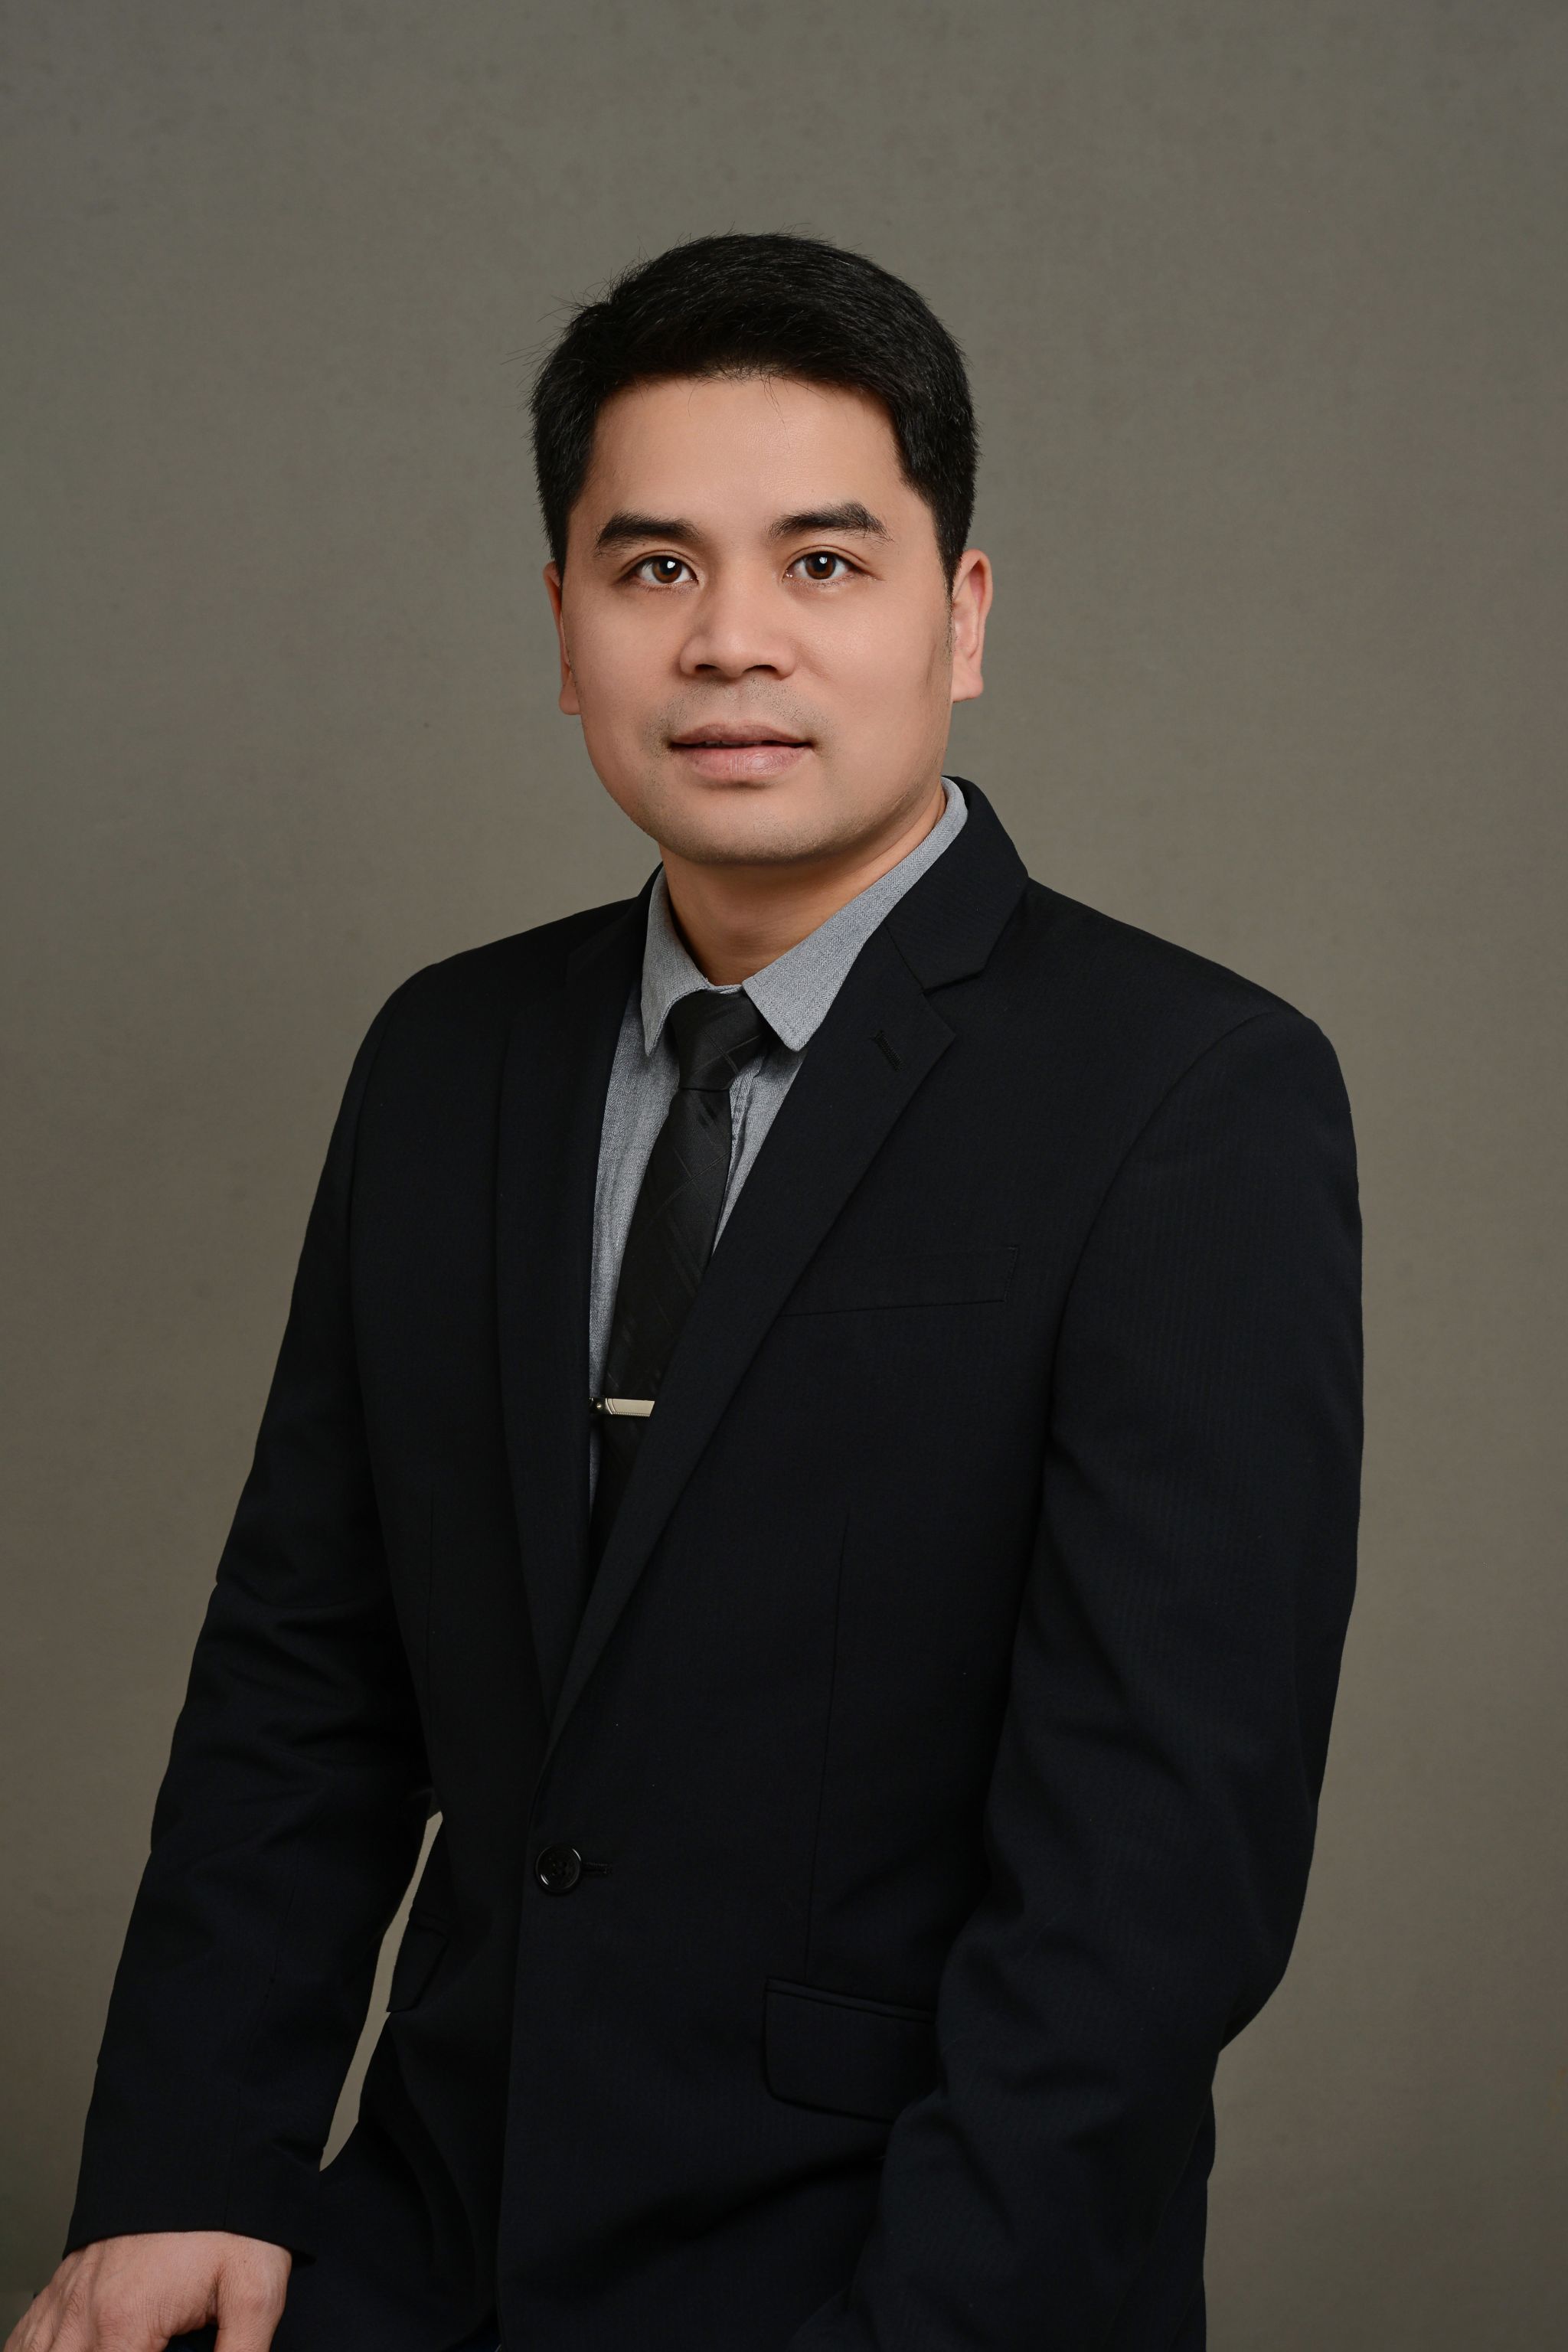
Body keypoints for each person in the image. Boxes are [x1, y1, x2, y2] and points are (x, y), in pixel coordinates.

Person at [13, 233, 1362, 2352]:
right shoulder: (450, 1058)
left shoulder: (1187, 1094)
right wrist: (190, 2168)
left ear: (962, 616)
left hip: (910, 2264)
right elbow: (307, 1673)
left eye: (823, 563)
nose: (733, 638)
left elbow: (1151, 1878)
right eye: (654, 569)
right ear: (564, 630)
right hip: (436, 2236)